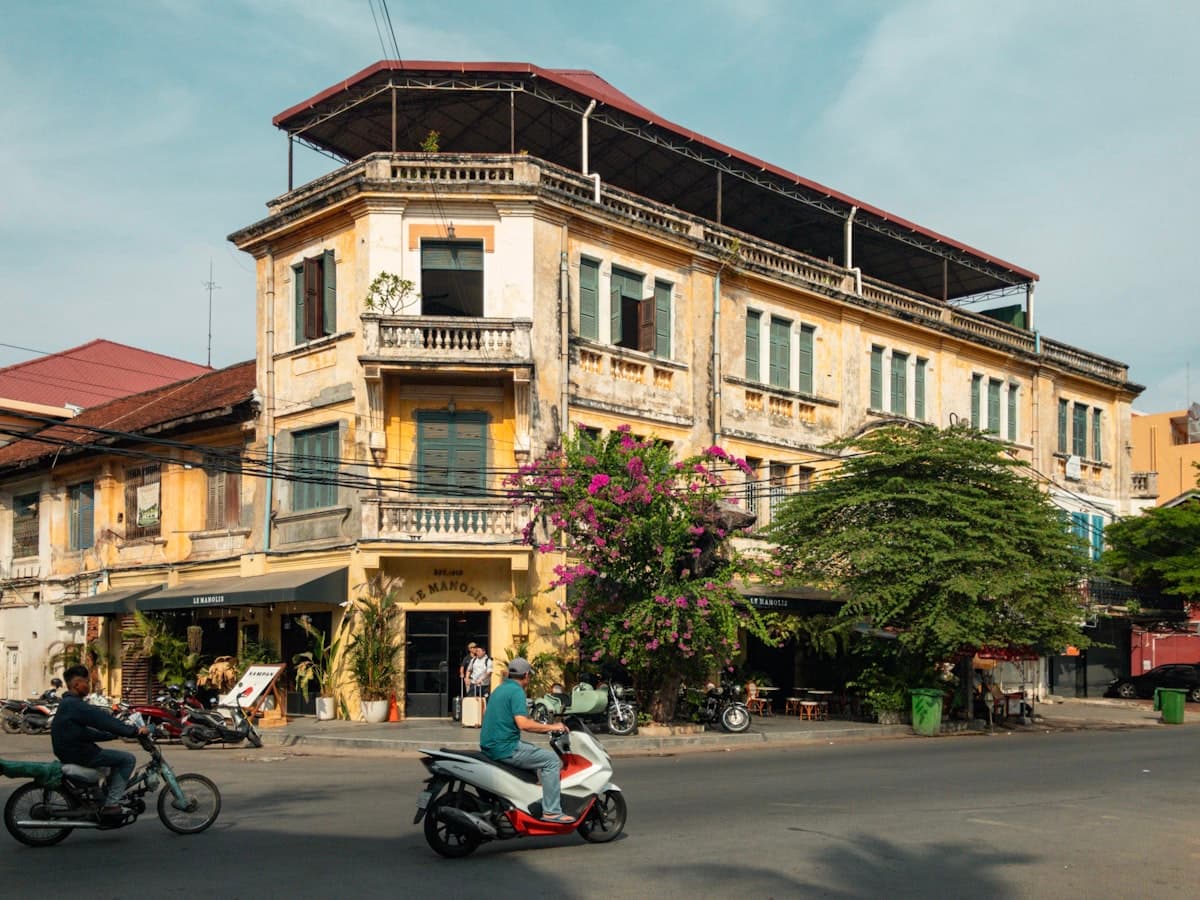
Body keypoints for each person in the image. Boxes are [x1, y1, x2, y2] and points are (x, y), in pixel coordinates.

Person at [479, 657, 572, 823]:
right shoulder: (517, 692)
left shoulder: (500, 689)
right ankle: (552, 811)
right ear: (526, 675)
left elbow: (489, 715)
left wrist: (540, 727)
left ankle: (528, 800)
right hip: (506, 748)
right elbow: (523, 724)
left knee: (531, 751)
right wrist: (553, 727)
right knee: (551, 760)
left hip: (490, 746)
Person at [51, 665, 148, 820]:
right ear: (76, 684)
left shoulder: (68, 703)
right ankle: (111, 804)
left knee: (110, 763)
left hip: (71, 750)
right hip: (79, 753)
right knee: (127, 759)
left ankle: (101, 797)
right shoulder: (75, 705)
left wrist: (110, 736)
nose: (89, 685)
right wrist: (133, 731)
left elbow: (83, 733)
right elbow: (103, 720)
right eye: (86, 682)